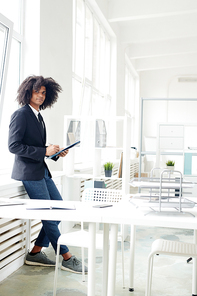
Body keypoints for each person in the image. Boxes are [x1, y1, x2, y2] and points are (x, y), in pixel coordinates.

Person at [8, 75, 87, 274]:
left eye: (44, 93)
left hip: (41, 170)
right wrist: (44, 151)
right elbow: (14, 146)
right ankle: (66, 257)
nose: (41, 96)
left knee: (58, 210)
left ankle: (35, 253)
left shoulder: (38, 116)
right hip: (29, 173)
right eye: (37, 91)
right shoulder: (21, 114)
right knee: (49, 215)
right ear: (28, 91)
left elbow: (35, 147)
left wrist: (54, 153)